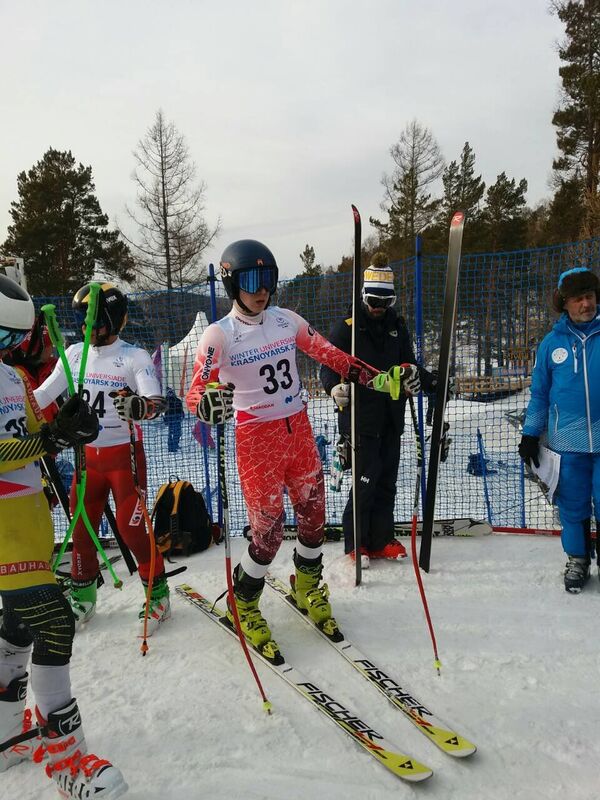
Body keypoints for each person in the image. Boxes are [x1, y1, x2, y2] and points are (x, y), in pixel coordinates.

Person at [185, 240, 411, 662]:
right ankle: (246, 600)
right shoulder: (219, 334)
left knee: (313, 522)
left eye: (268, 280)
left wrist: (378, 379)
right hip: (257, 440)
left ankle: (306, 584)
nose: (261, 290)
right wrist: (206, 403)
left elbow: (333, 356)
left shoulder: (286, 321)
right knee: (268, 536)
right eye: (251, 281)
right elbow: (195, 391)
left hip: (299, 432)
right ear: (233, 283)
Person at [0, 274, 127, 797]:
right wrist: (48, 437)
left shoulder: (13, 380)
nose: (17, 349)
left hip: (29, 524)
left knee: (17, 632)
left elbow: (32, 434)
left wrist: (69, 427)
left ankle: (8, 737)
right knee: (55, 622)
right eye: (8, 340)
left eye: (19, 340)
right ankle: (67, 760)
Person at [34, 283, 169, 634]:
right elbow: (43, 394)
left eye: (90, 320)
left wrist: (142, 406)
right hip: (86, 458)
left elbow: (155, 400)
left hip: (123, 459)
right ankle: (85, 598)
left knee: (131, 528)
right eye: (80, 320)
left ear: (111, 319)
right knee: (81, 528)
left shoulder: (134, 356)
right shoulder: (76, 353)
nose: (83, 328)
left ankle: (158, 595)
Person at [320, 255, 438, 566]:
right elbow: (327, 366)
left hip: (392, 417)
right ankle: (355, 543)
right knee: (365, 481)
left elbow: (409, 363)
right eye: (373, 300)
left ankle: (381, 539)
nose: (378, 307)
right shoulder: (347, 329)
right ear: (363, 296)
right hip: (360, 418)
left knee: (387, 480)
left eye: (385, 301)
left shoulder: (396, 326)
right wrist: (334, 388)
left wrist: (431, 380)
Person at [519, 266, 600, 593]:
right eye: (579, 298)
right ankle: (578, 560)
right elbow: (539, 394)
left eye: (591, 296)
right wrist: (529, 434)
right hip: (567, 443)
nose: (587, 304)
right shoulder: (551, 345)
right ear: (564, 303)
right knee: (573, 505)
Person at [164, 386, 184, 452]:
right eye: (169, 392)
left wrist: (182, 415)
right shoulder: (165, 401)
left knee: (178, 433)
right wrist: (165, 420)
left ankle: (175, 444)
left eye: (171, 392)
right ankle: (171, 447)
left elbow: (181, 410)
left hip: (177, 419)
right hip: (170, 419)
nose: (171, 394)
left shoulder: (178, 401)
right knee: (171, 433)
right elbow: (164, 412)